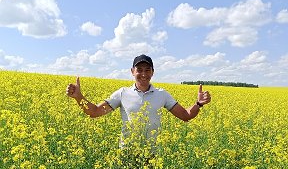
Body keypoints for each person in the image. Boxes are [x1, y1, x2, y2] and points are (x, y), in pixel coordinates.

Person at [66, 54, 211, 145]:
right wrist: (79, 97)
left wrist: (198, 104)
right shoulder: (122, 93)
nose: (143, 74)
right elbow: (95, 112)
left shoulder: (162, 94)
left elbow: (185, 116)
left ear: (153, 72)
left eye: (147, 70)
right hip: (127, 153)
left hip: (153, 156)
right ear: (132, 72)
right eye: (139, 70)